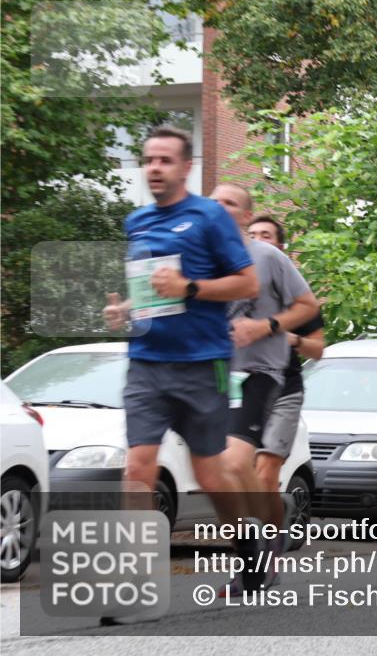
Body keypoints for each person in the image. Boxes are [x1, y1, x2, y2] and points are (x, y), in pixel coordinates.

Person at [102, 126, 261, 621]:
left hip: (202, 364)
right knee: (137, 469)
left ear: (185, 166)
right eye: (148, 159)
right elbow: (152, 290)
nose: (154, 167)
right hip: (147, 364)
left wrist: (189, 287)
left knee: (209, 475)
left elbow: (246, 282)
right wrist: (125, 310)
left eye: (165, 160)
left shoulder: (209, 216)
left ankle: (248, 546)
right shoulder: (137, 221)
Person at [209, 184, 319, 595]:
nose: (219, 209)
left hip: (270, 376)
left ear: (244, 216)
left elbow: (309, 312)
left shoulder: (269, 258)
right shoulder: (201, 261)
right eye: (214, 202)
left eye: (230, 204)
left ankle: (265, 552)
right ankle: (252, 550)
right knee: (220, 472)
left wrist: (267, 327)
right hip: (218, 377)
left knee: (251, 466)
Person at [246, 214, 325, 520]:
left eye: (265, 235)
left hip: (284, 389)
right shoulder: (233, 289)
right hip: (242, 389)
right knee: (240, 472)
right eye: (252, 234)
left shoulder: (297, 297)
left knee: (266, 471)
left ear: (280, 247)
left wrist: (291, 339)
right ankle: (273, 513)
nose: (257, 240)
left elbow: (318, 349)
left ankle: (264, 551)